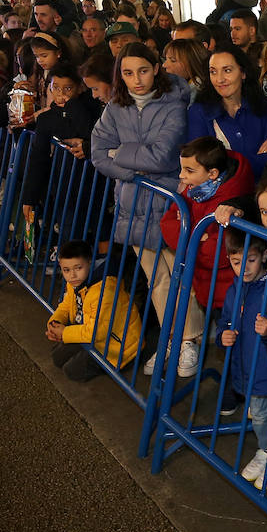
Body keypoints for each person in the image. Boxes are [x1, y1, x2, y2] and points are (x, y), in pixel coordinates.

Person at [89, 43, 197, 379]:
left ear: (157, 68)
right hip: (133, 206)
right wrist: (135, 168)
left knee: (181, 275)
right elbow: (97, 153)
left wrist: (120, 154)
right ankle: (170, 337)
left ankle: (188, 339)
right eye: (127, 73)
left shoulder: (175, 103)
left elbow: (164, 156)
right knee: (157, 279)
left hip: (167, 205)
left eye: (144, 70)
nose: (137, 80)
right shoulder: (115, 107)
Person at [218, 230, 267, 490]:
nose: (244, 268)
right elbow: (225, 322)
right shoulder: (234, 290)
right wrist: (223, 336)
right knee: (260, 417)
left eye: (250, 260)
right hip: (249, 370)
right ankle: (265, 450)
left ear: (264, 255)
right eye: (236, 261)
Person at [162, 136, 254, 340]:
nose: (181, 176)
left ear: (212, 173)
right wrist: (197, 235)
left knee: (236, 344)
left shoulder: (232, 200)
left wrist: (188, 229)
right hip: (205, 287)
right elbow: (167, 224)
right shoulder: (195, 187)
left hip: (229, 293)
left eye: (189, 171)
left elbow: (216, 253)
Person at [45, 240, 140, 382]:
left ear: (89, 262)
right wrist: (55, 322)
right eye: (66, 270)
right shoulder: (76, 282)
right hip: (92, 333)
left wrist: (64, 332)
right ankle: (84, 352)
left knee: (72, 371)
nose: (72, 275)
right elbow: (66, 305)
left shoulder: (104, 291)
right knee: (57, 357)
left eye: (78, 268)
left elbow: (96, 331)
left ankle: (104, 364)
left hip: (118, 347)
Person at [20, 68, 104, 228]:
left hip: (89, 186)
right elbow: (38, 158)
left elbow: (88, 131)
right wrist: (29, 197)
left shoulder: (86, 111)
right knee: (65, 226)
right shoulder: (46, 118)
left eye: (68, 88)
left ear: (79, 88)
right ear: (50, 88)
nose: (61, 93)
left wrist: (72, 106)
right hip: (59, 186)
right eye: (56, 87)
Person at [186, 48, 267, 180]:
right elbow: (200, 166)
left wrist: (226, 162)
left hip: (260, 190)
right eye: (213, 72)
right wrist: (256, 159)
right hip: (221, 195)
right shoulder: (199, 113)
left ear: (243, 73)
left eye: (227, 70)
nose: (219, 79)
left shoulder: (265, 109)